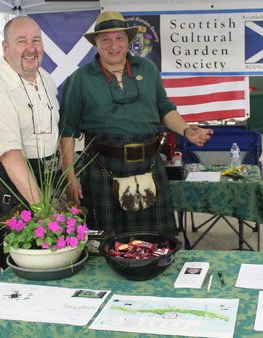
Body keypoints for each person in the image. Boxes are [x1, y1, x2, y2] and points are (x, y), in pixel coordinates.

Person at [59, 11, 213, 236]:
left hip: (149, 164)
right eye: (106, 39)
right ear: (97, 43)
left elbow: (165, 109)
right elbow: (67, 130)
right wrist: (69, 176)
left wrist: (186, 130)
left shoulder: (148, 69)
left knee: (156, 242)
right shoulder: (80, 78)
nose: (114, 45)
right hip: (101, 167)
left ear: (128, 40)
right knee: (106, 242)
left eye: (119, 38)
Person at [0, 16, 60, 278]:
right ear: (5, 48)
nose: (30, 48)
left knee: (50, 268)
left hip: (44, 184)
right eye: (21, 41)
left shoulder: (46, 79)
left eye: (35, 40)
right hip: (9, 189)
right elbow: (11, 155)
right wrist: (43, 210)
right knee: (13, 278)